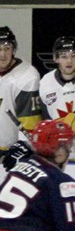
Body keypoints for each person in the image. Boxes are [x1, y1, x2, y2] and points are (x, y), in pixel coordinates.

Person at [0, 26, 42, 171]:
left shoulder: (27, 75)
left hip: (11, 154)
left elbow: (31, 122)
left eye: (7, 48)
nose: (3, 54)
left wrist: (24, 145)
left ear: (14, 49)